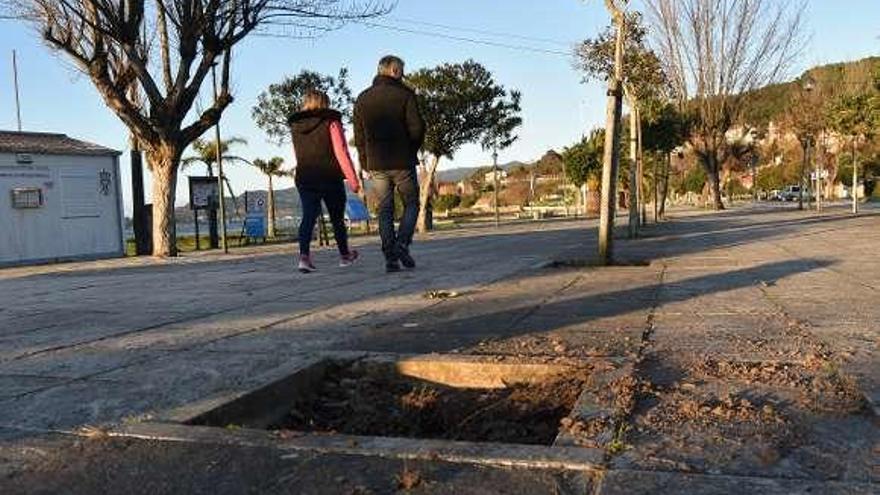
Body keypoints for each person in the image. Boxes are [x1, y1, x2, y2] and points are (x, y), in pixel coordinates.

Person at [354, 55, 426, 273]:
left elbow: (359, 136)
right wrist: (409, 150)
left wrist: (365, 161)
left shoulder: (363, 98)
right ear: (394, 71)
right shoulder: (405, 95)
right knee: (412, 203)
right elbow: (418, 128)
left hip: (376, 163)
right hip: (402, 161)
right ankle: (402, 244)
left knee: (385, 209)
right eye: (401, 70)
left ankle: (390, 258)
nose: (403, 74)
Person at [289, 89, 361, 273]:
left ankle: (304, 258)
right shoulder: (331, 122)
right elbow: (341, 152)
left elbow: (299, 154)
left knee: (308, 216)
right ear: (324, 103)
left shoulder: (296, 126)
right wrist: (353, 180)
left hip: (305, 176)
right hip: (329, 176)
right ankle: (345, 256)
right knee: (337, 218)